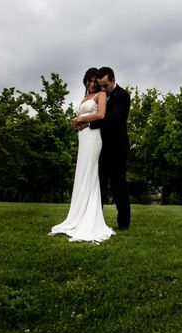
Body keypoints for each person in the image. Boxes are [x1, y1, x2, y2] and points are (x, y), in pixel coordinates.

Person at [49, 68, 115, 243]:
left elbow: (101, 114)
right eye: (89, 81)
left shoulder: (100, 95)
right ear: (85, 81)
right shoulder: (85, 97)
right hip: (83, 138)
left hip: (94, 138)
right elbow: (84, 115)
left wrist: (80, 120)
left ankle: (89, 217)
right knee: (81, 173)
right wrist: (76, 123)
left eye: (95, 81)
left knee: (89, 174)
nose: (92, 84)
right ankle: (77, 215)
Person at [87, 66, 131, 230]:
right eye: (101, 85)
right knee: (99, 185)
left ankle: (123, 223)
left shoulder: (123, 96)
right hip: (101, 148)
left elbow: (114, 119)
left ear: (113, 80)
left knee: (118, 185)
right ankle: (96, 220)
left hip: (118, 148)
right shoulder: (101, 96)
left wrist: (90, 123)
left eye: (106, 85)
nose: (103, 88)